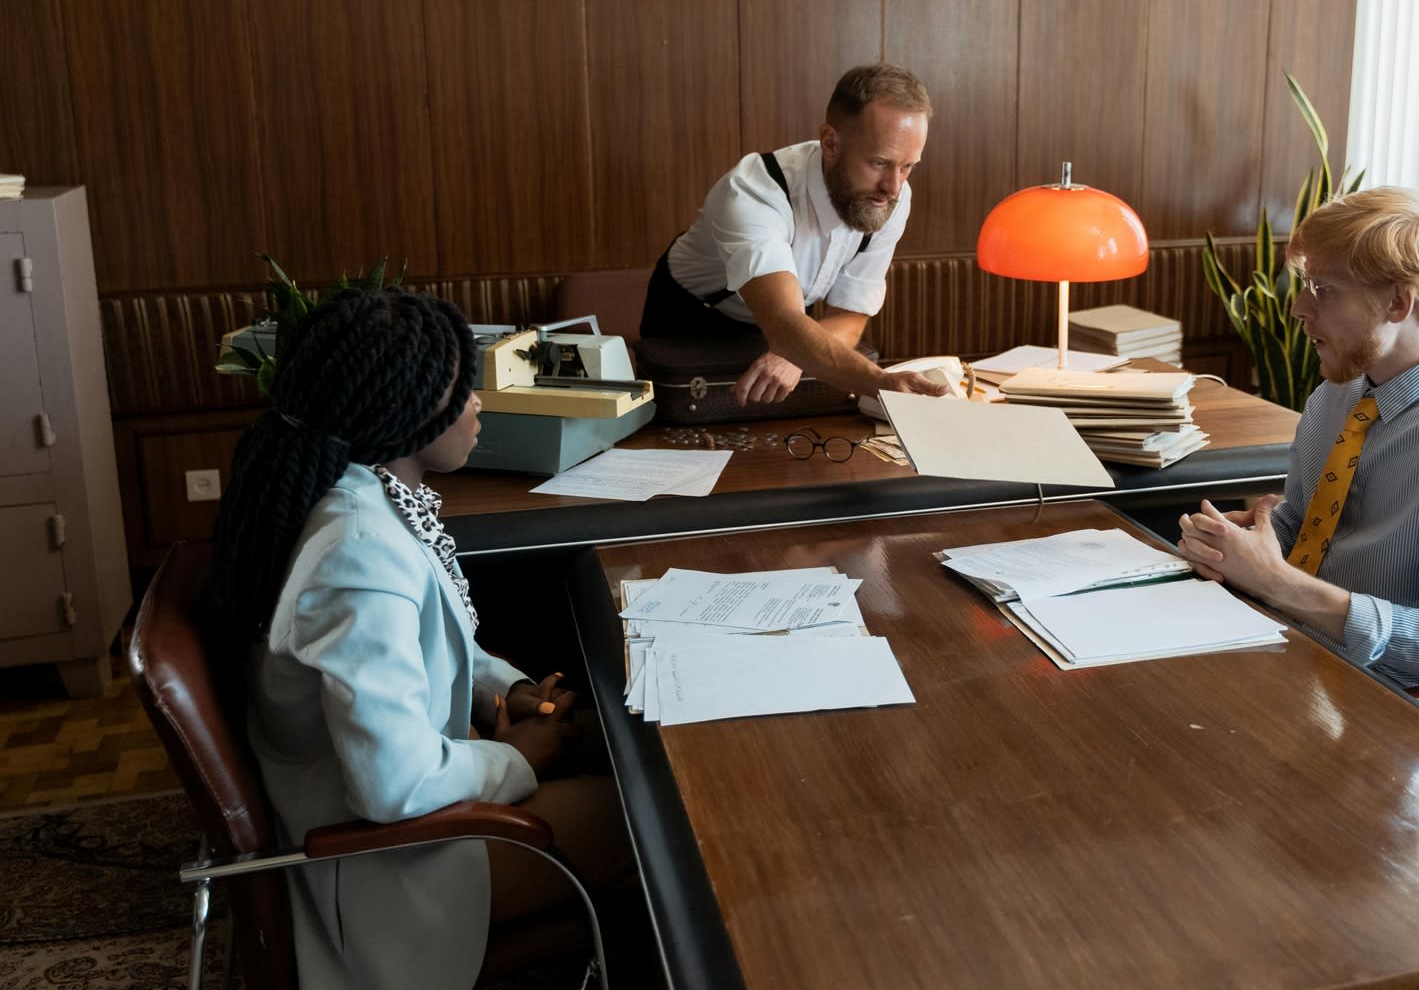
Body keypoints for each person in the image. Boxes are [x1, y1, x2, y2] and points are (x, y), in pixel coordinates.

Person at [208, 288, 630, 990]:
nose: (478, 403)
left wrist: (510, 689)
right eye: (463, 389)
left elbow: (438, 637)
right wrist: (512, 758)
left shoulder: (363, 498)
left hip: (397, 827)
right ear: (407, 410)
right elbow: (392, 786)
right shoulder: (356, 553)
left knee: (615, 759)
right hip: (392, 871)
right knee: (657, 821)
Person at [1177, 187, 1419, 691]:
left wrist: (1276, 580)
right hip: (1282, 652)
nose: (1298, 308)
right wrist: (1241, 545)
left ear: (1399, 302)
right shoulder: (1336, 396)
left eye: (1323, 289)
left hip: (1373, 704)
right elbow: (1305, 530)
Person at [640, 62, 953, 406]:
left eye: (908, 166)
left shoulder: (891, 197)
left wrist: (793, 353)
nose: (893, 186)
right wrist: (879, 381)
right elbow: (784, 323)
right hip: (690, 321)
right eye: (879, 162)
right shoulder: (753, 192)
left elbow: (849, 316)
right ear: (830, 142)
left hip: (789, 332)